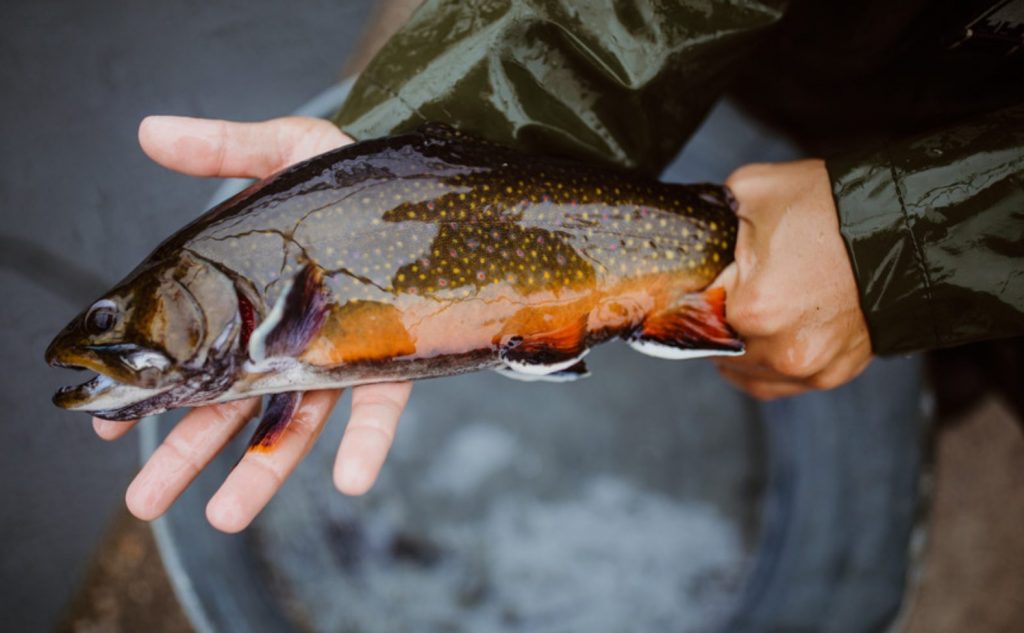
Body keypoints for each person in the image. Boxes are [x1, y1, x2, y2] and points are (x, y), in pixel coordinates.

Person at [99, 0, 1023, 533]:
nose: (117, 334)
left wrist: (892, 250)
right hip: (825, 59)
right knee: (887, 350)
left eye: (119, 320)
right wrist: (404, 155)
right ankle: (946, 362)